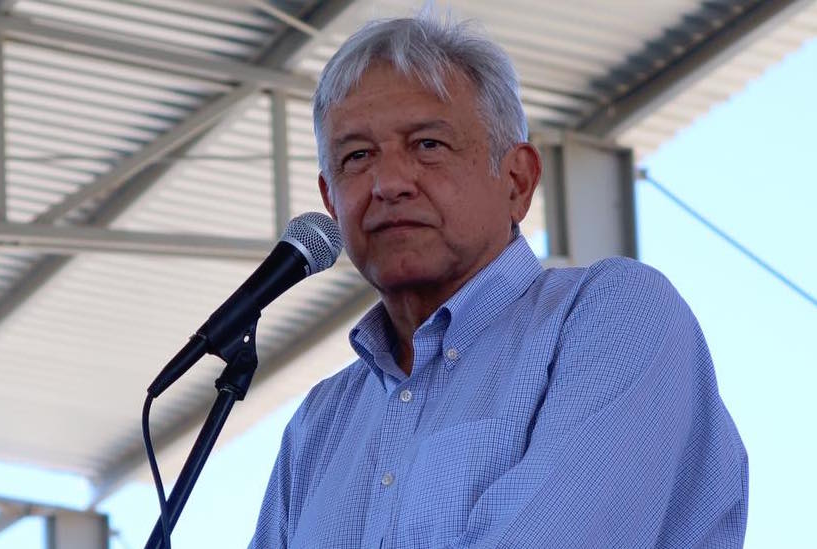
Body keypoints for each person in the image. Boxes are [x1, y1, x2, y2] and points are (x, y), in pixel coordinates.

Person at [250, 13, 748, 549]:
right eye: (357, 156)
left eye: (428, 145)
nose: (389, 183)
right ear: (330, 200)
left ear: (517, 180)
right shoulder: (319, 425)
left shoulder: (615, 315)